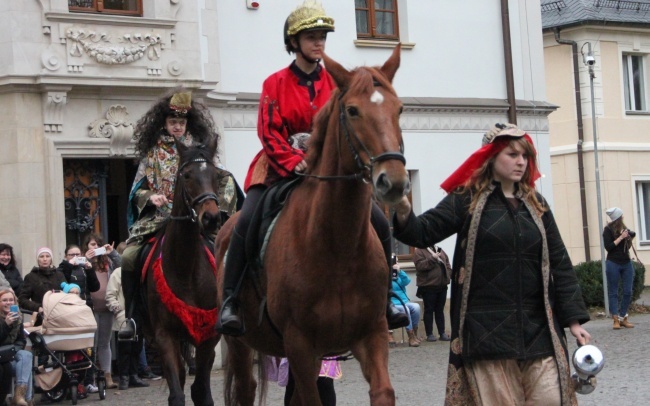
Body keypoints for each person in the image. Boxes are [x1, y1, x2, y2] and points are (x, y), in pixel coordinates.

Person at [217, 0, 408, 335]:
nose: (318, 42)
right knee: (247, 218)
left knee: (378, 219)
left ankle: (391, 290)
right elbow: (269, 131)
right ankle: (231, 299)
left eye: (322, 36)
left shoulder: (340, 84)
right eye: (310, 37)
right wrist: (294, 161)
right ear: (294, 42)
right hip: (279, 166)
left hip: (329, 168)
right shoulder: (274, 83)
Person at [389, 123, 591, 405]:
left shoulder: (537, 205)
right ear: (491, 157)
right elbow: (421, 232)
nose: (521, 162)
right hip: (486, 334)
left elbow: (560, 263)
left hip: (539, 330)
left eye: (525, 156)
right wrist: (400, 204)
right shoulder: (466, 200)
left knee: (551, 398)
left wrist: (573, 320)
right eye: (512, 154)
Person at [118, 88, 239, 341]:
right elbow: (138, 190)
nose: (177, 127)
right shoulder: (152, 154)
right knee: (129, 257)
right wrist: (150, 197)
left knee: (227, 254)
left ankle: (231, 307)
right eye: (172, 122)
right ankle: (131, 317)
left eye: (181, 122)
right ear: (164, 123)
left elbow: (225, 180)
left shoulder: (201, 151)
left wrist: (217, 209)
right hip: (160, 218)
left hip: (199, 220)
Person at [57, 244, 101, 394]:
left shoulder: (84, 267)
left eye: (77, 254)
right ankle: (71, 381)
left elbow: (95, 287)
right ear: (65, 256)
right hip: (69, 313)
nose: (75, 257)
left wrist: (89, 269)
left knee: (89, 346)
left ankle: (89, 381)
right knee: (72, 348)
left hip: (86, 310)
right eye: (71, 255)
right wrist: (69, 266)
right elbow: (61, 283)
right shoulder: (62, 268)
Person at [84, 233, 122, 389]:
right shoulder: (82, 262)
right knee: (90, 344)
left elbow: (122, 266)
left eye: (97, 245)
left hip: (106, 308)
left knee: (104, 343)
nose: (95, 247)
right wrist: (85, 259)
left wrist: (112, 252)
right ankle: (90, 379)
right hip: (89, 310)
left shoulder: (108, 262)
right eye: (92, 245)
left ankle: (107, 377)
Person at [105, 267, 149, 390]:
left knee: (137, 346)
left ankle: (134, 375)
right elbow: (110, 295)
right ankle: (124, 376)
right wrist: (118, 309)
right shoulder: (118, 273)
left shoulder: (142, 271)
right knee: (125, 347)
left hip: (139, 313)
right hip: (124, 314)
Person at [603, 207, 636, 329]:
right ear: (616, 219)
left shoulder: (623, 229)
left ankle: (623, 317)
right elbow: (609, 247)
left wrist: (629, 238)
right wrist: (621, 237)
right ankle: (615, 319)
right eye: (620, 217)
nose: (622, 218)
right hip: (613, 263)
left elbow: (626, 248)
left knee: (628, 291)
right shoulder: (607, 230)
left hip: (626, 262)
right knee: (613, 292)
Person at [0, 289, 33, 406]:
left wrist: (13, 351)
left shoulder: (18, 318)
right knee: (27, 368)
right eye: (4, 300)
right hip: (2, 360)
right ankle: (26, 400)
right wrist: (5, 324)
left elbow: (21, 341)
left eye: (11, 300)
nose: (8, 303)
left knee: (26, 355)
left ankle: (19, 397)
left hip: (12, 355)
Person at [413, 245, 451, 342]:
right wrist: (432, 258)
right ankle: (429, 334)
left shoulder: (440, 249)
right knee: (429, 310)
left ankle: (442, 333)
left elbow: (447, 263)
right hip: (428, 286)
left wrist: (448, 275)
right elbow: (420, 266)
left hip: (442, 285)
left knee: (440, 310)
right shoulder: (419, 251)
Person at [19, 247, 66, 315]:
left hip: (59, 313)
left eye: (47, 256)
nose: (45, 259)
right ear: (38, 260)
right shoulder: (31, 277)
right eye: (41, 256)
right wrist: (37, 307)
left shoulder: (59, 275)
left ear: (51, 259)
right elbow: (22, 299)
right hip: (41, 315)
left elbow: (66, 293)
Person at [390, 256, 421, 347]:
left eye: (398, 261)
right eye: (395, 262)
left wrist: (400, 272)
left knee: (416, 307)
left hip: (404, 300)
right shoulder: (385, 272)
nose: (397, 263)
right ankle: (410, 336)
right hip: (393, 302)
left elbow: (406, 282)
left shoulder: (399, 273)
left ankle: (414, 333)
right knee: (406, 309)